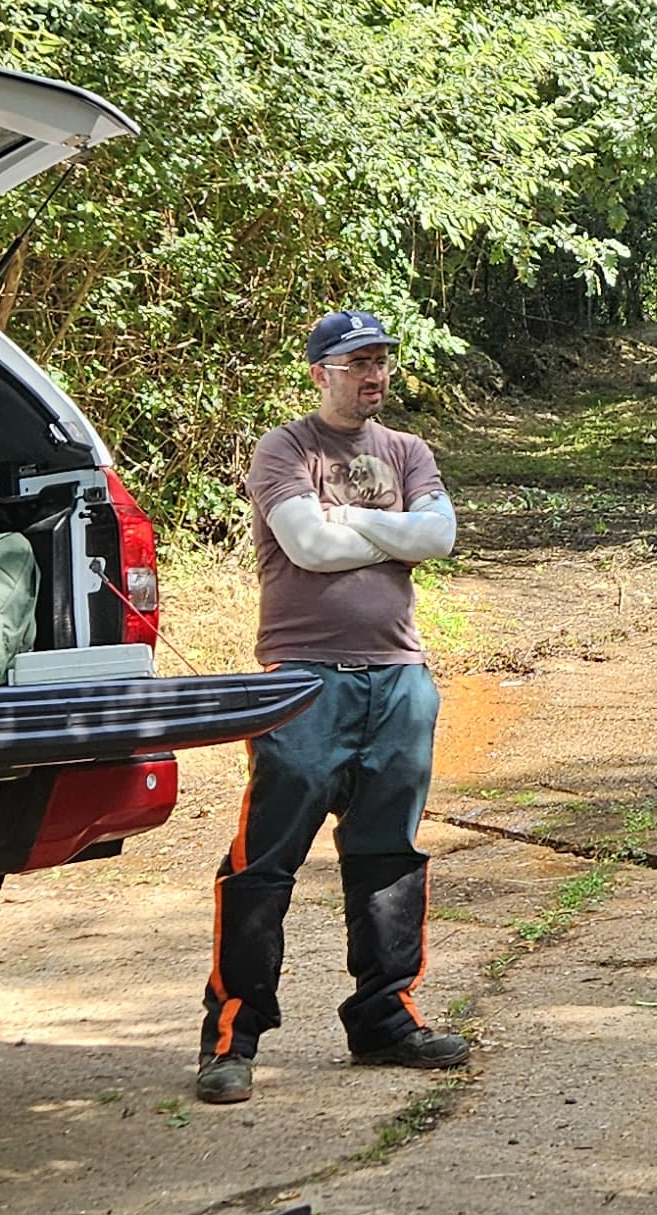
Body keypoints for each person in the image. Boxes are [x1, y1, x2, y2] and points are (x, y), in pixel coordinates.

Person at [199, 308, 468, 1101]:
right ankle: (232, 1038)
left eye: (381, 360)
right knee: (266, 858)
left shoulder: (408, 450)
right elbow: (307, 548)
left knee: (389, 854)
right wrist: (395, 529)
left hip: (399, 678)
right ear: (320, 372)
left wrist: (347, 518)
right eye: (356, 363)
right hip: (303, 679)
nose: (374, 374)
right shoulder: (285, 449)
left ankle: (385, 1022)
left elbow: (441, 539)